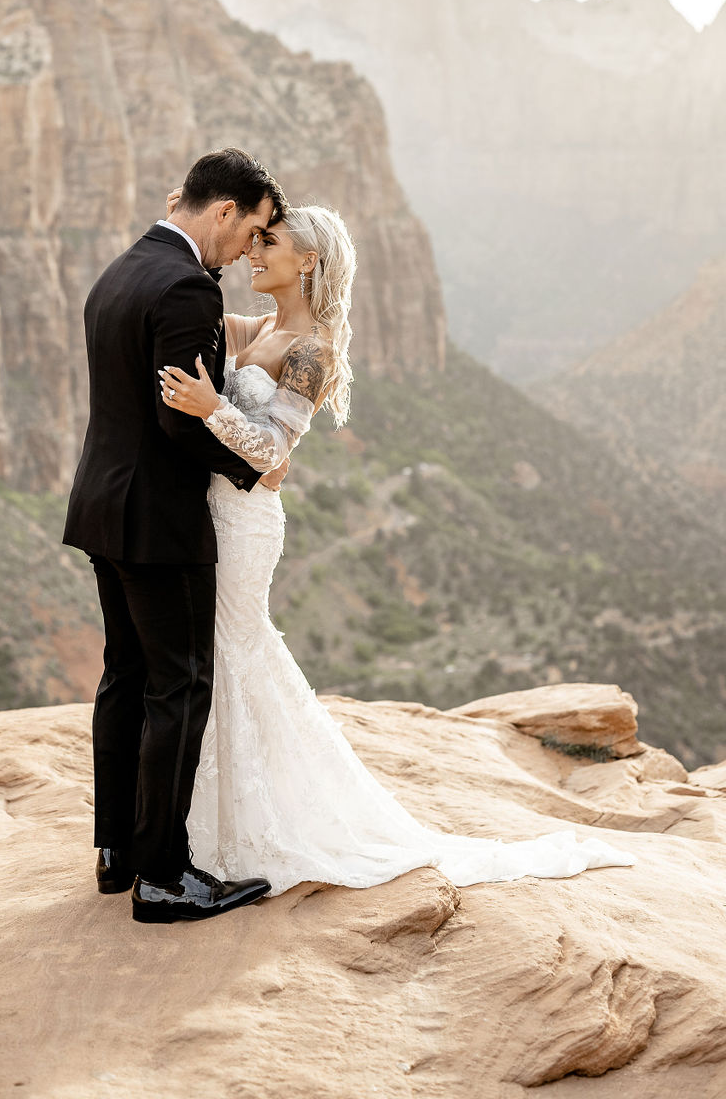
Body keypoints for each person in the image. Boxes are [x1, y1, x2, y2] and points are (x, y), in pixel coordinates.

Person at [159, 201, 637, 894]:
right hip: (216, 516)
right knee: (228, 656)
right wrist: (182, 222)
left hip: (247, 524)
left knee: (233, 653)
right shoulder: (259, 326)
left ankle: (240, 830)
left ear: (308, 262)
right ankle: (218, 824)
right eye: (253, 240)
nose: (253, 253)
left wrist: (214, 409)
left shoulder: (311, 352)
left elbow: (270, 452)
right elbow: (186, 305)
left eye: (268, 243)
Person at [62, 147, 290, 923]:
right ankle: (164, 875)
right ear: (224, 210)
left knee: (124, 674)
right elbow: (176, 420)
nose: (247, 249)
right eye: (251, 229)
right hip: (159, 521)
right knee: (179, 684)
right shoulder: (188, 286)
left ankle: (116, 850)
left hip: (101, 506)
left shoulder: (123, 269)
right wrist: (253, 470)